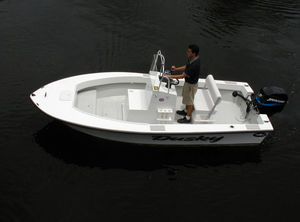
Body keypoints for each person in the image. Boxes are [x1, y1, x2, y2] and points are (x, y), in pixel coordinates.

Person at [164, 44, 200, 123]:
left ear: (194, 53)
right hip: (188, 83)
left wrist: (169, 76)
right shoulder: (191, 59)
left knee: (190, 101)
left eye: (189, 51)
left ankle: (187, 117)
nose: (187, 52)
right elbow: (186, 66)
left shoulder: (195, 65)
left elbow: (182, 76)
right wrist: (176, 68)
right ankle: (186, 110)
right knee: (186, 97)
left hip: (191, 85)